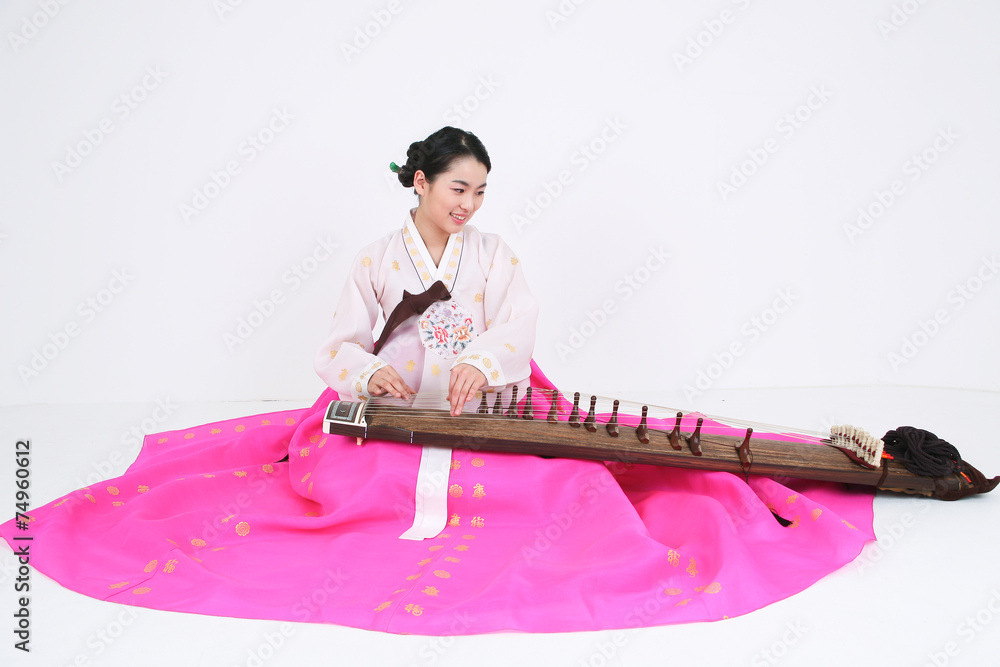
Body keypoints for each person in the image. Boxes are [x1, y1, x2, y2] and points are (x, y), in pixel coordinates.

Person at [0, 127, 875, 635]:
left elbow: (517, 325)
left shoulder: (494, 256)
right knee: (337, 485)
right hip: (387, 416)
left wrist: (481, 364)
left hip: (488, 410)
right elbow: (336, 345)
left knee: (567, 484)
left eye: (481, 192)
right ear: (419, 181)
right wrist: (371, 371)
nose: (470, 205)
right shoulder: (375, 261)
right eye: (458, 187)